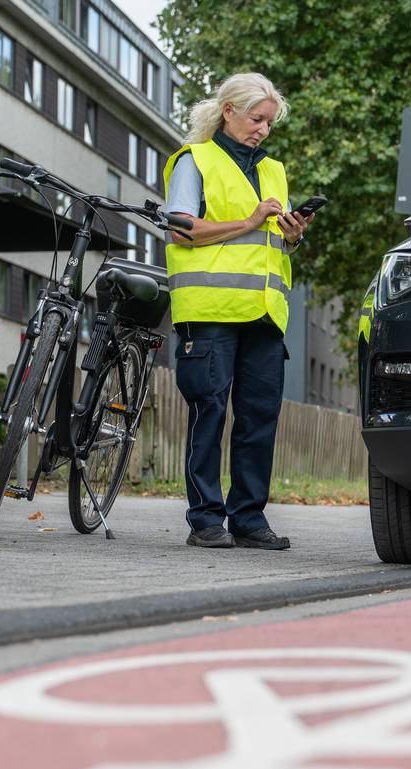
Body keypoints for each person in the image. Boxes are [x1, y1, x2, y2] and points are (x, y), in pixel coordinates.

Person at [162, 73, 312, 550]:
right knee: (209, 412)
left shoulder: (274, 171)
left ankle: (248, 519)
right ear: (228, 111)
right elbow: (179, 229)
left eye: (269, 122)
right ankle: (205, 519)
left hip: (263, 314)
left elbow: (272, 248)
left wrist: (292, 235)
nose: (263, 130)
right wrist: (249, 220)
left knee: (258, 417)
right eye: (256, 119)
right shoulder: (195, 160)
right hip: (209, 310)